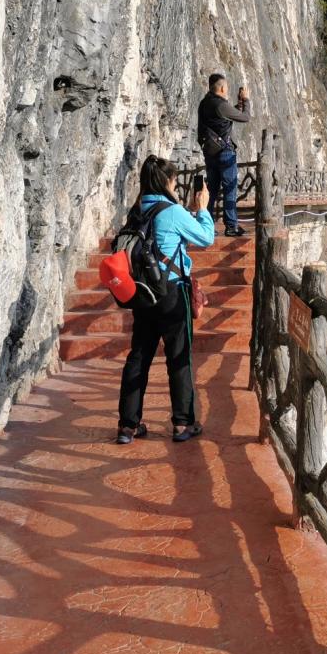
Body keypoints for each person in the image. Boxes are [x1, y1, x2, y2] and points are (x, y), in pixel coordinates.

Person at [117, 155, 215, 444]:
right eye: (174, 181)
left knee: (139, 356)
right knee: (178, 356)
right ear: (167, 182)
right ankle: (182, 423)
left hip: (143, 294)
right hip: (172, 293)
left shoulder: (138, 210)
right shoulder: (172, 212)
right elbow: (206, 237)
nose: (176, 186)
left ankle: (128, 425)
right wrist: (204, 209)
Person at [197, 71, 251, 237]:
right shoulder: (220, 104)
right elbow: (245, 117)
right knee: (230, 188)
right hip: (224, 152)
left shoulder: (204, 103)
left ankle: (207, 225)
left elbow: (224, 117)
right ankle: (231, 226)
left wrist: (238, 103)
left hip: (210, 152)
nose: (227, 90)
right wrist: (246, 100)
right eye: (226, 87)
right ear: (220, 88)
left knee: (212, 189)